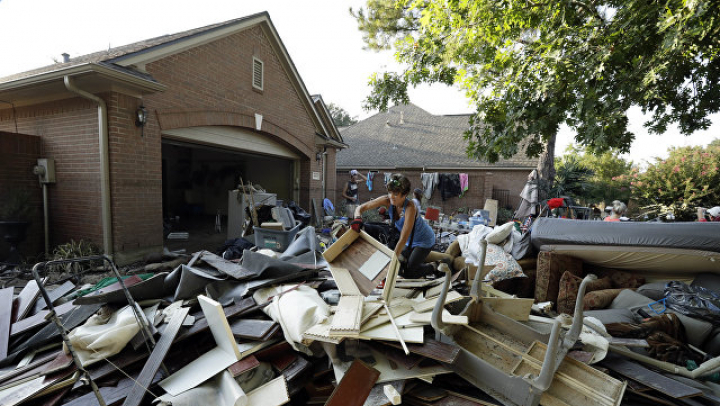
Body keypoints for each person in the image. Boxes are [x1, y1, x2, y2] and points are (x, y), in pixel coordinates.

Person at [351, 173, 436, 279]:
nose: (391, 196)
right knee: (400, 269)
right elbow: (360, 208)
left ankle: (433, 267)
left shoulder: (410, 207)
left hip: (424, 240)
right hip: (410, 241)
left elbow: (403, 238)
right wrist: (357, 218)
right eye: (390, 192)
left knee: (409, 272)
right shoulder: (387, 200)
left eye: (396, 194)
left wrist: (391, 259)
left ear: (404, 195)